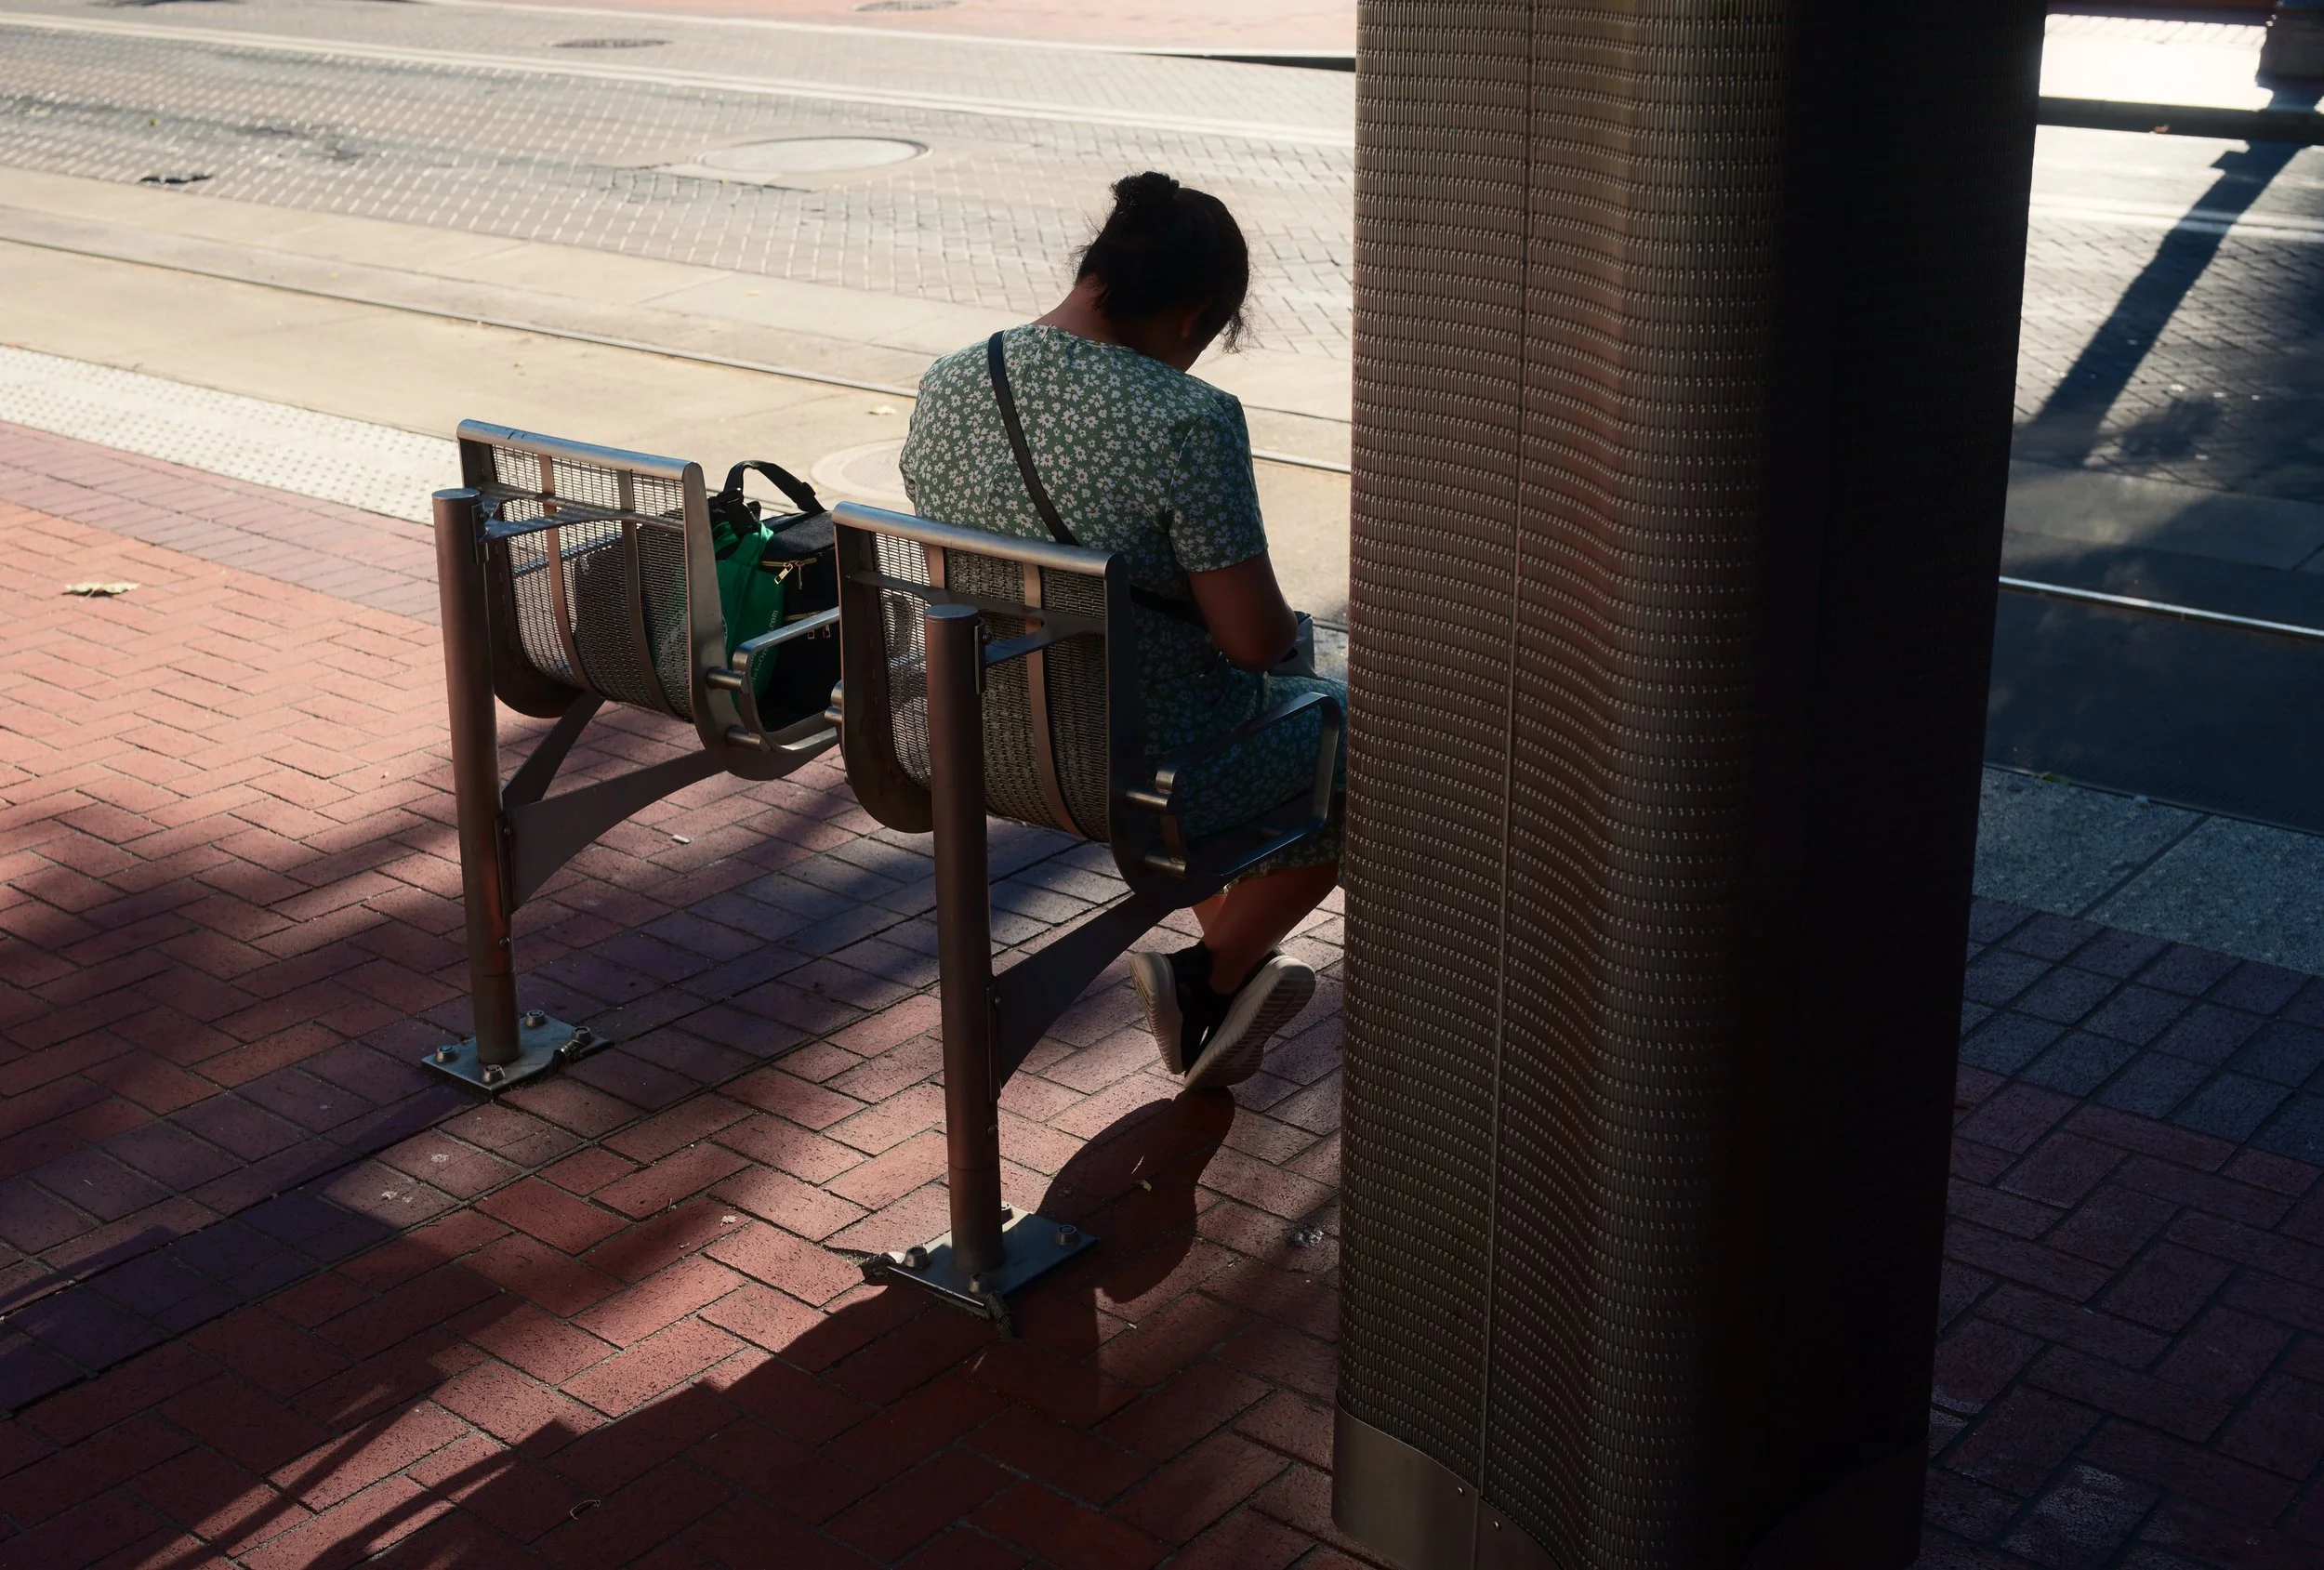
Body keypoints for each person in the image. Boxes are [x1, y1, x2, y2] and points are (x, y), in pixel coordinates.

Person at [899, 170, 1344, 1093]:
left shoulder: (947, 381)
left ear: (1095, 269)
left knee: (1260, 730)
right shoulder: (1188, 417)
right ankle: (1207, 975)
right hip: (1132, 762)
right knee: (1351, 742)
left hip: (970, 730)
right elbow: (1254, 643)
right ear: (1192, 316)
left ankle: (1218, 986)